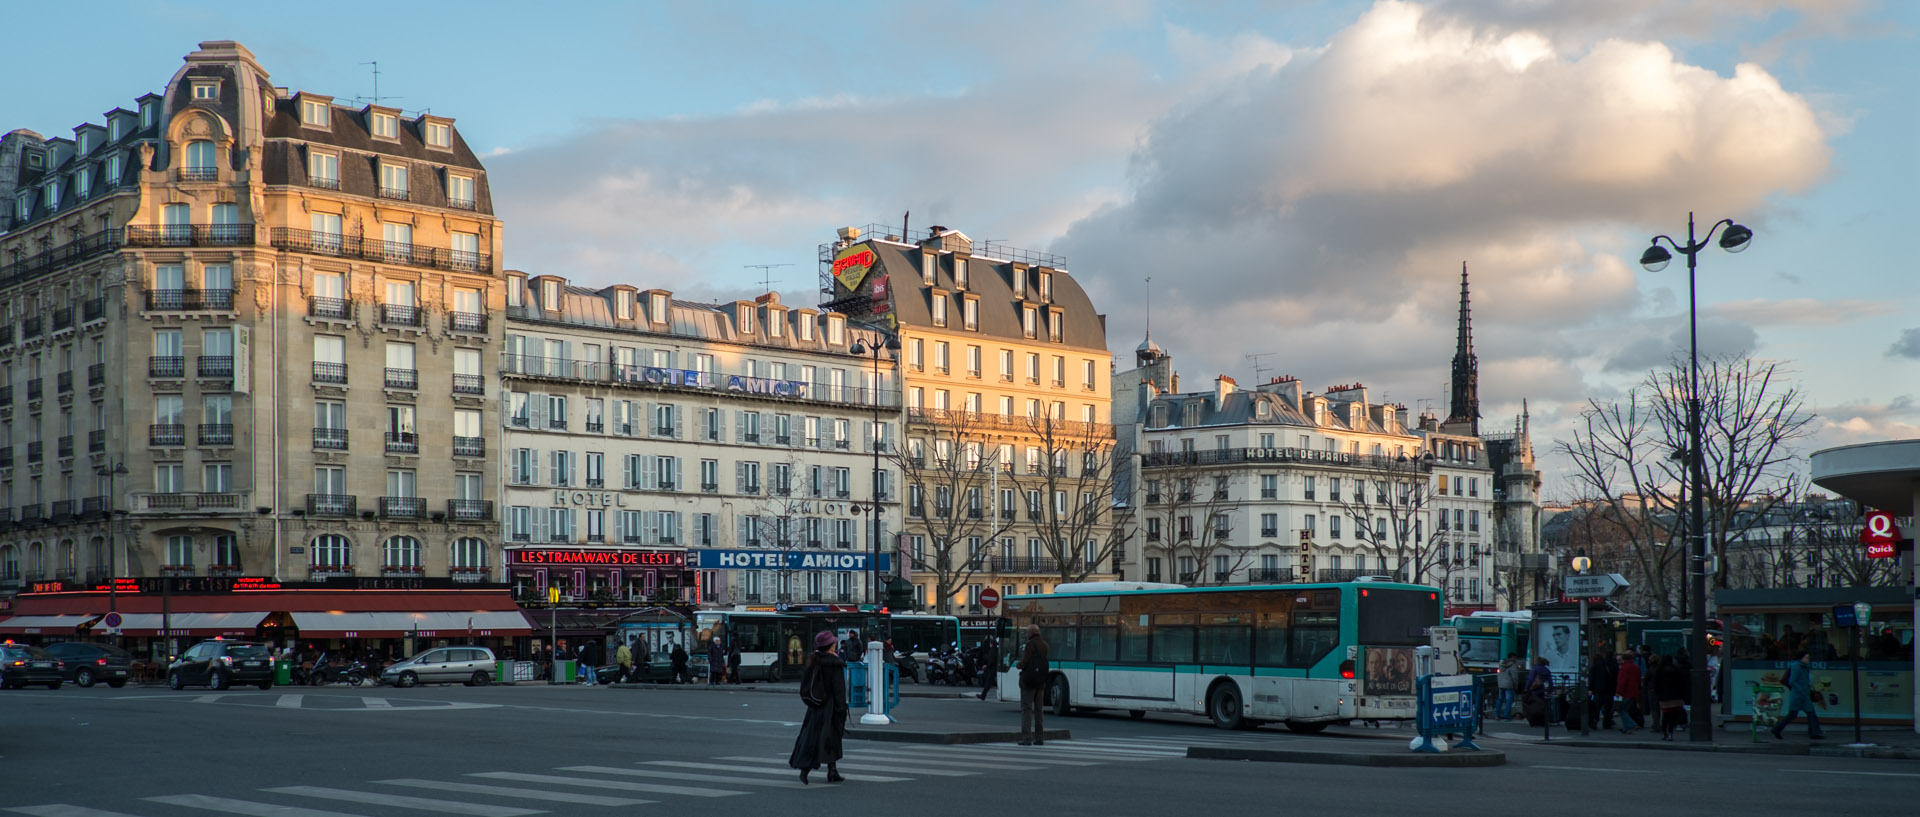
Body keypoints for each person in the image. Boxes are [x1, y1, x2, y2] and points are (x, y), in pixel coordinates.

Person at [788, 631, 848, 784]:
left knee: (812, 738)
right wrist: (842, 708)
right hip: (831, 706)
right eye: (833, 642)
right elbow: (838, 688)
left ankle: (809, 770)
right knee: (831, 739)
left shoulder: (813, 660)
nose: (835, 644)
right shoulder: (834, 663)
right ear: (830, 645)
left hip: (815, 706)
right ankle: (831, 772)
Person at [1771, 650, 1826, 741]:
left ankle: (1815, 733)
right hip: (1798, 695)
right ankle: (1776, 729)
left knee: (1809, 713)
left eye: (1808, 657)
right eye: (1806, 657)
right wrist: (1801, 690)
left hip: (1803, 694)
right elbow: (1792, 681)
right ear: (1801, 658)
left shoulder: (1804, 667)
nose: (1808, 659)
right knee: (1794, 714)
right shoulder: (1796, 666)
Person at [1018, 624, 1050, 746]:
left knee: (1027, 709)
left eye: (1027, 633)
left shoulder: (1030, 645)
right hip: (1041, 682)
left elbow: (1025, 661)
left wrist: (1018, 665)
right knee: (1039, 710)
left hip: (1029, 681)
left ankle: (1027, 738)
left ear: (1031, 633)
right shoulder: (1045, 645)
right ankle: (1039, 738)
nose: (1026, 635)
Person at [1650, 654, 1687, 740]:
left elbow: (1656, 684)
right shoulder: (1676, 670)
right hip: (1676, 697)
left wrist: (1657, 693)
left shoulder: (1659, 670)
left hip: (1664, 697)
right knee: (1673, 716)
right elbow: (1681, 683)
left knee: (1665, 715)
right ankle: (1670, 732)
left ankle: (1664, 733)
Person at [1615, 648, 1642, 734]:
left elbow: (1622, 681)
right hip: (1634, 691)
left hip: (1626, 692)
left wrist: (1618, 691)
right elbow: (1638, 680)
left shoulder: (1624, 668)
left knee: (1622, 710)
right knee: (1625, 710)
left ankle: (1631, 725)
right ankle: (1626, 728)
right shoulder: (1636, 667)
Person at [1588, 651, 1617, 731]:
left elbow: (1591, 679)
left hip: (1598, 690)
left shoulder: (1594, 666)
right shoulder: (1610, 665)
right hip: (1609, 690)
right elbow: (1615, 677)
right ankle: (1607, 723)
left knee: (1596, 707)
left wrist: (1590, 689)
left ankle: (1594, 721)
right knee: (1608, 708)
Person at [1495, 653, 1522, 720]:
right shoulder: (1512, 665)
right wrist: (1516, 686)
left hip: (1501, 684)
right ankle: (1506, 716)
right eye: (1515, 658)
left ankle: (1497, 715)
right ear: (1512, 657)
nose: (1516, 660)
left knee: (1500, 699)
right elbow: (1514, 677)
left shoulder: (1501, 664)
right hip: (1509, 685)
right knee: (1508, 700)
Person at [977, 637, 1001, 701]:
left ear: (991, 644)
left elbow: (991, 661)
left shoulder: (992, 650)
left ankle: (983, 695)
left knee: (988, 683)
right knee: (989, 683)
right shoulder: (996, 650)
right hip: (994, 668)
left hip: (991, 669)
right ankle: (983, 695)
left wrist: (986, 666)